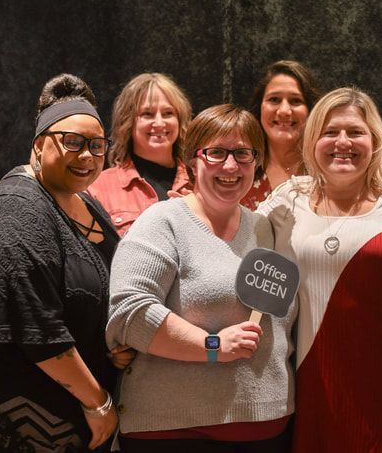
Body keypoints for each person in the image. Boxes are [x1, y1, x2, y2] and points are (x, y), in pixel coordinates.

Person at [0, 74, 133, 452]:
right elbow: (36, 329)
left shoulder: (85, 202)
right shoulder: (14, 212)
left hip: (61, 404)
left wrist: (114, 343)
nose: (87, 156)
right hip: (7, 411)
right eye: (72, 142)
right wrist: (98, 402)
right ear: (39, 145)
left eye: (96, 145)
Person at [258, 87, 382, 452]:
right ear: (312, 141)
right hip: (318, 388)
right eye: (330, 132)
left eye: (355, 132)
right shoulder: (287, 199)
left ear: (375, 140)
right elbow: (233, 243)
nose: (342, 142)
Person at [106, 104, 296, 452]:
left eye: (243, 153)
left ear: (256, 162)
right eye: (216, 152)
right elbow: (129, 313)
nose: (230, 166)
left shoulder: (265, 228)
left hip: (266, 428)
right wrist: (212, 347)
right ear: (193, 161)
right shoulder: (163, 221)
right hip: (173, 431)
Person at [87, 73, 192, 235]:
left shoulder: (201, 183)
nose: (159, 123)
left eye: (168, 113)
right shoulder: (98, 188)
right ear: (128, 121)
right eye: (147, 114)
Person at [240, 60, 321, 209]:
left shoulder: (326, 172)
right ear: (259, 107)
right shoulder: (238, 166)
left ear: (311, 110)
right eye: (274, 100)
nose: (284, 111)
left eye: (295, 101)